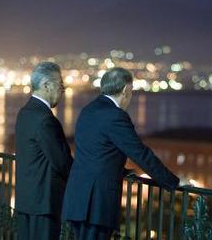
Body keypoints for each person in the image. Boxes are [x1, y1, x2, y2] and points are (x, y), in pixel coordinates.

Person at [62, 67, 180, 240]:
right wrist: (172, 182)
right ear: (125, 90)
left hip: (78, 197)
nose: (130, 97)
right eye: (131, 92)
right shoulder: (115, 115)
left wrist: (122, 171)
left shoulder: (89, 110)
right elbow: (140, 153)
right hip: (97, 203)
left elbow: (95, 151)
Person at [15, 61, 73, 240]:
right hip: (44, 204)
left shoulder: (25, 112)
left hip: (26, 200)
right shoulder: (45, 120)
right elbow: (63, 163)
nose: (63, 91)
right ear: (46, 85)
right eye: (61, 85)